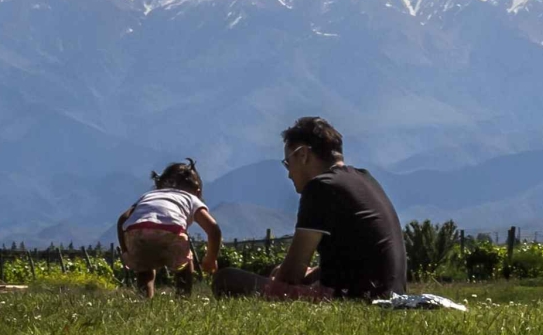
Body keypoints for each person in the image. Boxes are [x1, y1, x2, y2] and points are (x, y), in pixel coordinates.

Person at [213, 117, 406, 302]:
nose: (288, 174)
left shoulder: (321, 187)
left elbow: (291, 273)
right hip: (389, 292)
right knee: (282, 273)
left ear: (303, 154)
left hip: (352, 296)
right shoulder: (365, 179)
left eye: (288, 163)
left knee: (227, 278)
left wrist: (281, 278)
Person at [117, 158, 222, 299]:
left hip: (137, 231)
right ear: (197, 192)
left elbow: (123, 219)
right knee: (184, 268)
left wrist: (125, 250)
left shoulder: (149, 195)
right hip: (171, 232)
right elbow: (214, 230)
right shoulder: (191, 198)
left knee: (144, 271)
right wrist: (210, 259)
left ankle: (143, 301)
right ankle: (182, 299)